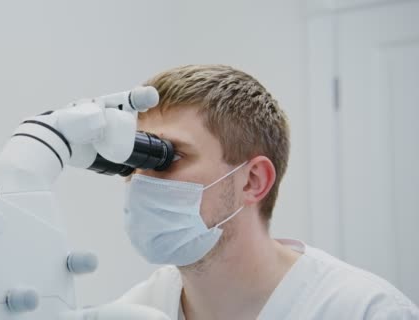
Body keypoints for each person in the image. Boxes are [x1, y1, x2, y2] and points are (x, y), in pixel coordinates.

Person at [115, 65, 419, 320]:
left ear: (253, 181)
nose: (141, 181)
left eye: (168, 156)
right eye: (133, 163)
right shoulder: (136, 310)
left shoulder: (364, 311)